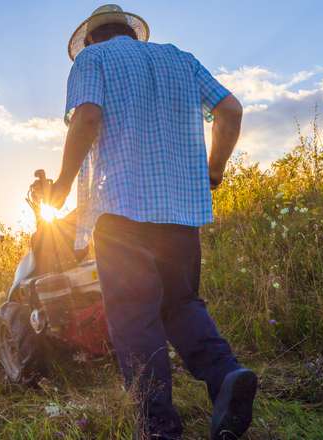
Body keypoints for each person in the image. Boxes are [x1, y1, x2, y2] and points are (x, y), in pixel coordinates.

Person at [47, 4, 257, 439]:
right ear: (132, 32)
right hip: (180, 209)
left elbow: (87, 117)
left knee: (132, 315)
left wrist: (62, 186)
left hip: (121, 210)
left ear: (90, 39)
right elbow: (231, 110)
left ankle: (159, 425)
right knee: (181, 303)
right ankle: (226, 376)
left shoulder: (93, 60)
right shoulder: (180, 57)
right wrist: (213, 171)